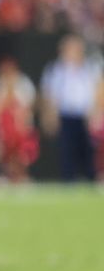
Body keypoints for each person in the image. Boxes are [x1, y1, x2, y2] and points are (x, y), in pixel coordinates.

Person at [39, 34, 102, 182]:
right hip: (65, 115)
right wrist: (50, 116)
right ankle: (69, 181)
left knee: (88, 150)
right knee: (67, 150)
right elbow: (49, 94)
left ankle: (90, 179)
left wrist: (96, 112)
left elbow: (98, 90)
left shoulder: (90, 68)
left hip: (86, 115)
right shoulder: (55, 70)